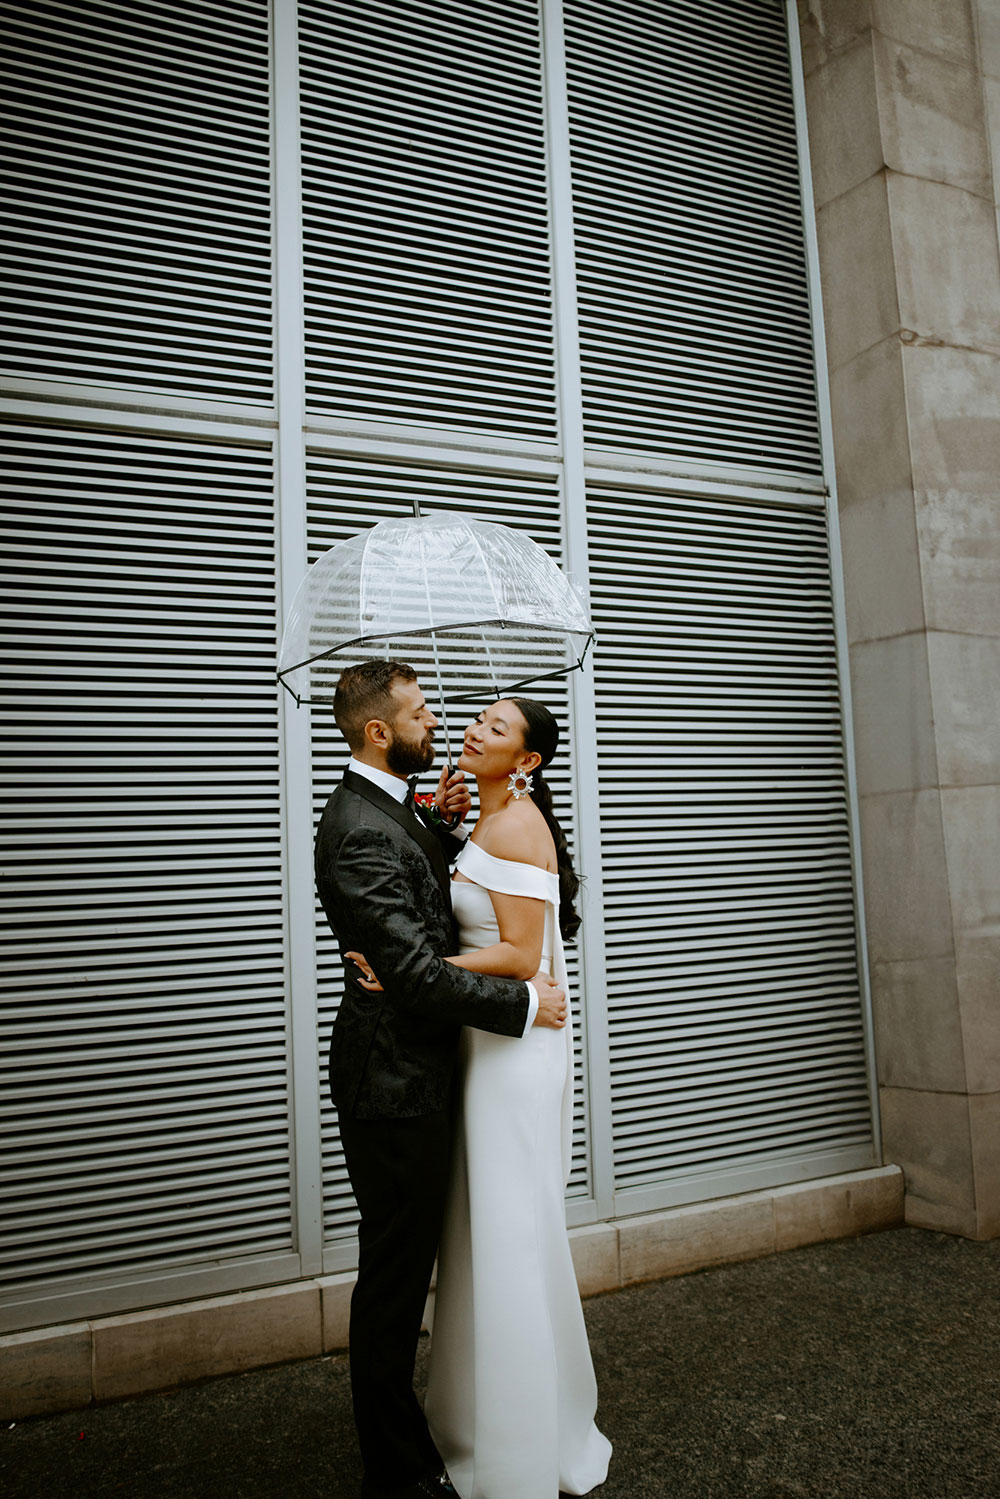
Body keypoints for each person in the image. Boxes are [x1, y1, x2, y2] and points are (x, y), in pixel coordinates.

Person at [314, 660, 568, 1499]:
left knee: (427, 1260)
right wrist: (528, 1003)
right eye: (423, 712)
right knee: (393, 1278)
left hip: (431, 1073)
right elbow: (418, 974)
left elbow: (437, 888)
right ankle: (397, 1469)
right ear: (380, 732)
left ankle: (455, 1430)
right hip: (394, 1084)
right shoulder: (357, 826)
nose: (442, 722)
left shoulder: (398, 806)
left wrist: (442, 822)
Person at [352, 696, 612, 1499]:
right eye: (473, 719)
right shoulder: (479, 818)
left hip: (513, 1054)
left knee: (505, 1227)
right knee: (479, 1229)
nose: (470, 730)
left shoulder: (520, 826)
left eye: (495, 729)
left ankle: (519, 1443)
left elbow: (522, 951)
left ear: (527, 761)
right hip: (479, 1045)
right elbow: (455, 882)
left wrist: (414, 966)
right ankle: (477, 1421)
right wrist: (440, 815)